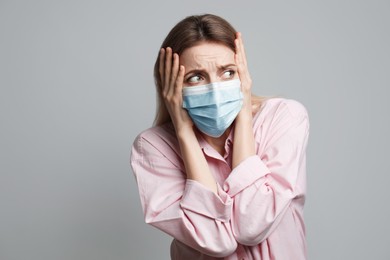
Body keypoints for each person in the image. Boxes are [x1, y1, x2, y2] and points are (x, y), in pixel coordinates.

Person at [130, 14, 309, 260]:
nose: (215, 89)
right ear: (170, 85)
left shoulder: (283, 117)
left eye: (227, 72)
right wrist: (184, 134)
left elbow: (251, 226)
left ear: (243, 73)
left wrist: (244, 117)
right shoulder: (153, 148)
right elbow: (217, 242)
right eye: (196, 77)